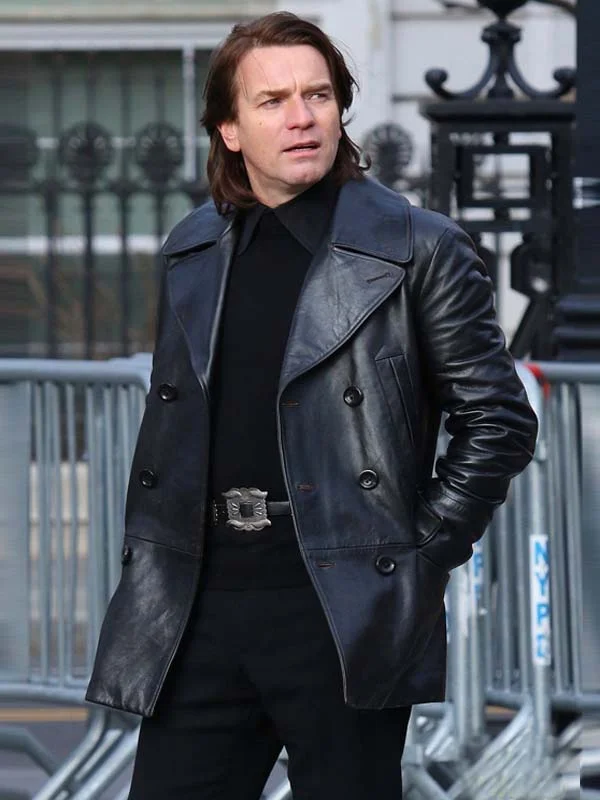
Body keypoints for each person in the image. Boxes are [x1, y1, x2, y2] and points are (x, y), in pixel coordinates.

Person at [86, 11, 538, 799]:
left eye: (318, 95)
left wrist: (419, 551)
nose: (302, 117)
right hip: (198, 600)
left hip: (338, 601)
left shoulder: (416, 246)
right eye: (273, 101)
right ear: (229, 129)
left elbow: (497, 420)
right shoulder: (194, 248)